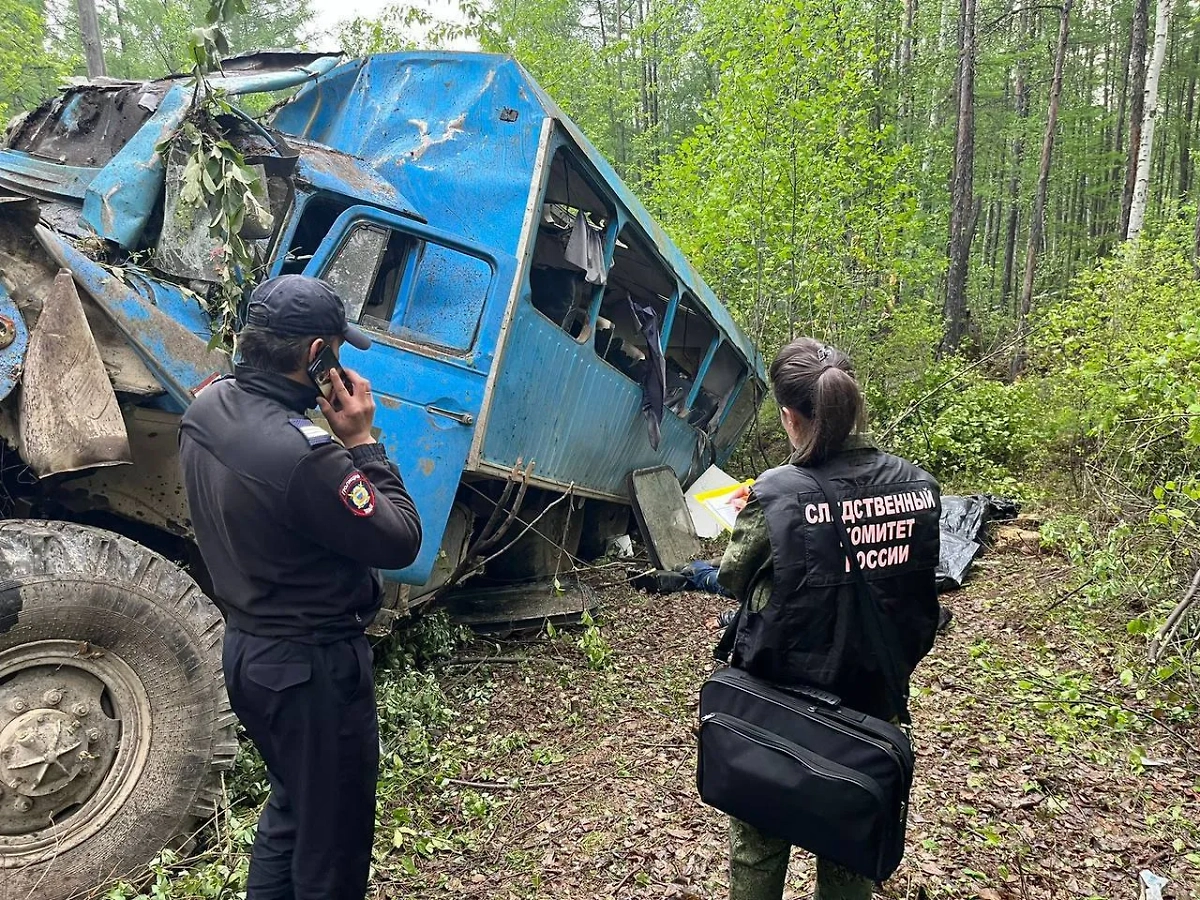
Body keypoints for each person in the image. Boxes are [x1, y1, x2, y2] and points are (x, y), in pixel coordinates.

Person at [179, 274, 423, 900]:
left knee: (292, 812)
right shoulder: (309, 457)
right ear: (317, 356)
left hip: (250, 654)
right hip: (312, 670)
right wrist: (362, 441)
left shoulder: (207, 406)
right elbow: (399, 540)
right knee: (333, 847)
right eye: (338, 350)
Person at [717, 337, 941, 900]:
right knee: (848, 845)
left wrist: (755, 519)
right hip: (872, 700)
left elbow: (731, 580)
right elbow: (918, 591)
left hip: (777, 703)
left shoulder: (777, 494)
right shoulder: (918, 486)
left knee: (759, 842)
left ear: (790, 417)